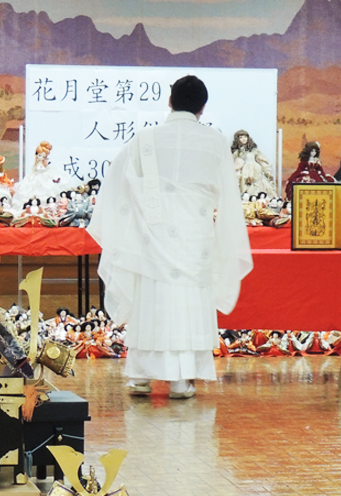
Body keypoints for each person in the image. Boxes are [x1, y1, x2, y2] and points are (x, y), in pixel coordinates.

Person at [87, 75, 253, 400]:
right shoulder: (216, 142)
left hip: (153, 238)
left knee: (153, 299)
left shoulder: (144, 139)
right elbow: (227, 197)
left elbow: (117, 186)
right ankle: (182, 381)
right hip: (196, 237)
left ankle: (141, 378)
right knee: (189, 300)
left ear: (169, 101)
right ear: (203, 107)